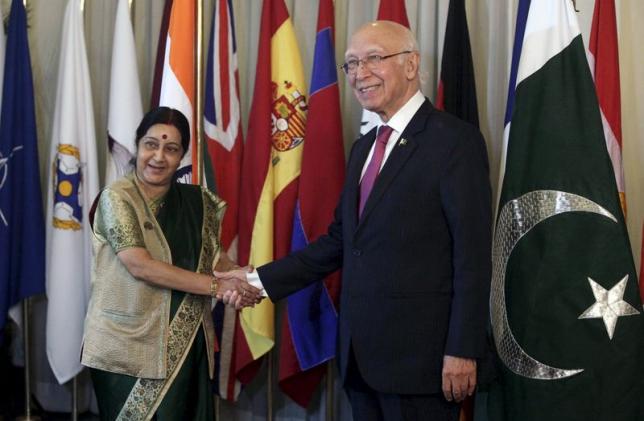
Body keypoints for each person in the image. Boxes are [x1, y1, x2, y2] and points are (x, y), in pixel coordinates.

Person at [217, 21, 492, 421]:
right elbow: (340, 242)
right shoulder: (364, 147)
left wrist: (463, 349)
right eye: (350, 64)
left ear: (411, 64)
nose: (360, 74)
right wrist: (256, 280)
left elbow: (472, 255)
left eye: (373, 59)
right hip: (360, 359)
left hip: (423, 363)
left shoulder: (454, 142)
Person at [81, 106, 261, 420]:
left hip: (186, 343)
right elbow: (141, 265)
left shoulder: (196, 202)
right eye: (151, 144)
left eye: (171, 148)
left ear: (182, 157)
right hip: (127, 347)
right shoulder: (117, 198)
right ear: (137, 146)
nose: (159, 156)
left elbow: (211, 256)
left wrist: (243, 278)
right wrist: (219, 286)